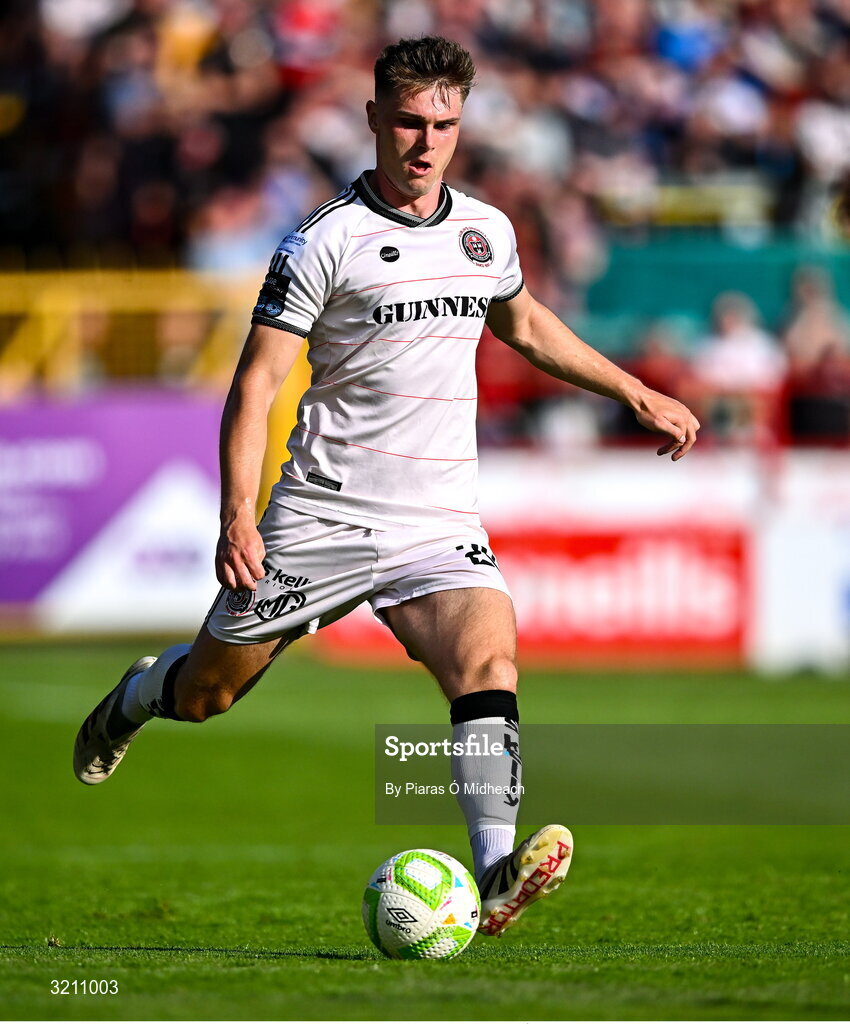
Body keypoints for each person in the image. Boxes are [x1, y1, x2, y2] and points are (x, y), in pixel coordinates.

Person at [74, 36, 700, 939]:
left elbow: (522, 321)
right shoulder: (323, 243)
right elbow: (254, 386)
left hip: (437, 517)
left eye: (445, 123)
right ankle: (133, 700)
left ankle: (494, 874)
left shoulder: (487, 230)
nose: (426, 141)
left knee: (488, 664)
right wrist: (238, 512)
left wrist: (635, 389)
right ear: (373, 118)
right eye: (409, 120)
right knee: (206, 694)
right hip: (322, 513)